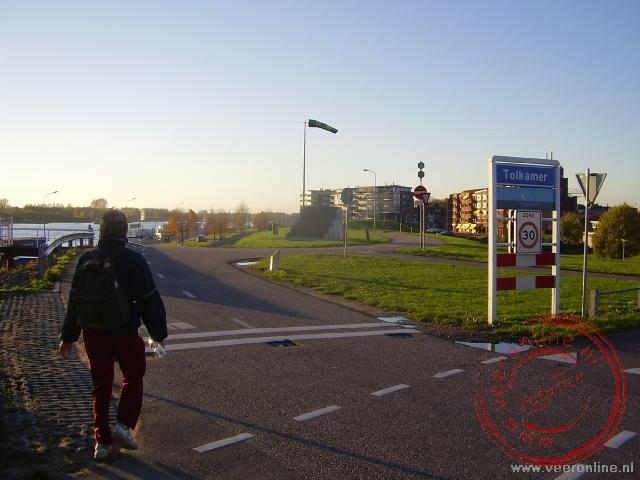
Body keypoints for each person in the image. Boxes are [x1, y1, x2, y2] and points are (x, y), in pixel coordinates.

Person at [59, 209, 167, 461]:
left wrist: (68, 337)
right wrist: (158, 334)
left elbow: (75, 301)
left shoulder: (87, 259)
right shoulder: (134, 261)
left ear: (102, 231)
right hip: (124, 332)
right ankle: (123, 426)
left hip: (93, 334)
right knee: (133, 376)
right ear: (124, 231)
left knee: (101, 386)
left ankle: (101, 443)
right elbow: (149, 300)